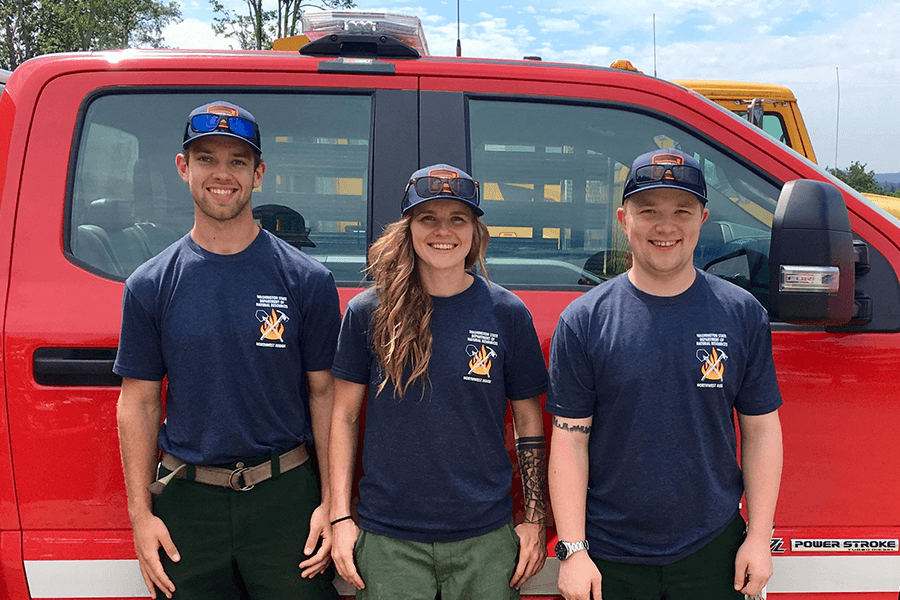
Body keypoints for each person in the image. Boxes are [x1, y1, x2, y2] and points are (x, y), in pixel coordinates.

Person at [114, 100, 341, 600]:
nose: (223, 174)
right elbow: (138, 401)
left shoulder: (308, 280)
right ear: (183, 168)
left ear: (258, 174)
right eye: (207, 159)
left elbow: (326, 396)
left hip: (287, 500)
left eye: (238, 161)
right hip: (188, 503)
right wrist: (139, 516)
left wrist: (331, 502)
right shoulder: (150, 284)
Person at [547, 148, 783, 600]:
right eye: (648, 211)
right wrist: (574, 551)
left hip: (712, 549)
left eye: (682, 211)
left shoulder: (741, 314)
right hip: (608, 554)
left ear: (703, 218)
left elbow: (761, 431)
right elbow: (570, 440)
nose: (666, 226)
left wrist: (759, 537)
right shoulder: (584, 320)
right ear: (624, 218)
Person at [329, 164, 550, 599]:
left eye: (458, 219)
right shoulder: (369, 312)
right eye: (428, 218)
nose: (442, 231)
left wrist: (535, 518)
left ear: (475, 230)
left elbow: (529, 422)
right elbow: (343, 417)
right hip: (390, 537)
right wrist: (340, 518)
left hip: (485, 538)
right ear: (408, 227)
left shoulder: (506, 313)